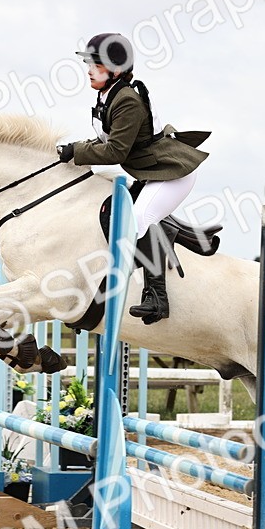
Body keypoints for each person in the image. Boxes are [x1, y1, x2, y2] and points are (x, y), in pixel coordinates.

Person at [56, 33, 210, 324]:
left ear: (115, 70)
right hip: (151, 171)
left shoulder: (126, 100)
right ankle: (179, 234)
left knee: (138, 221)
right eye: (89, 63)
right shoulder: (107, 95)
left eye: (96, 64)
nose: (89, 69)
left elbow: (114, 150)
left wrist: (75, 151)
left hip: (171, 173)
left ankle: (157, 300)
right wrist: (72, 151)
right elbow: (103, 140)